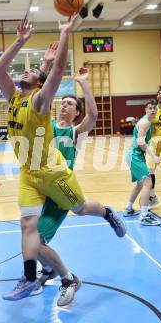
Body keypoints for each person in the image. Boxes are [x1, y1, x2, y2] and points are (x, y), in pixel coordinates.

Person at [0, 16, 126, 301]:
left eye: (69, 103)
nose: (25, 71)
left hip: (55, 175)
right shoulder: (17, 100)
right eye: (63, 102)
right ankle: (32, 278)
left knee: (80, 208)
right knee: (28, 227)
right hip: (30, 173)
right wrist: (21, 43)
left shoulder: (43, 105)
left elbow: (57, 85)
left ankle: (107, 213)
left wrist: (65, 34)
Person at [36, 67, 101, 306]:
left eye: (70, 104)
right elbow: (39, 100)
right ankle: (48, 270)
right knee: (30, 242)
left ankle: (68, 279)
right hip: (38, 189)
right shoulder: (48, 123)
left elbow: (93, 116)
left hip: (59, 194)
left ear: (76, 113)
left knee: (35, 241)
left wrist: (83, 83)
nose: (64, 105)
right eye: (62, 102)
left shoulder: (73, 132)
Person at [124, 100, 161, 225]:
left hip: (134, 155)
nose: (153, 110)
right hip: (135, 156)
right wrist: (153, 156)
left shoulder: (146, 121)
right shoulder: (145, 122)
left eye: (154, 108)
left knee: (140, 184)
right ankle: (144, 216)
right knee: (148, 183)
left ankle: (128, 209)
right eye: (150, 108)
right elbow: (140, 142)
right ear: (145, 109)